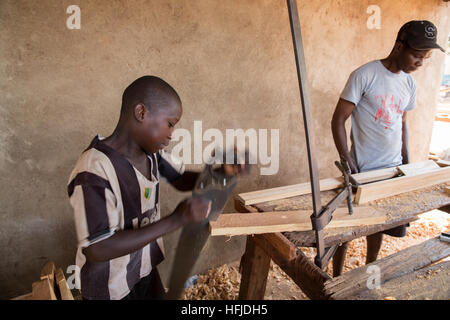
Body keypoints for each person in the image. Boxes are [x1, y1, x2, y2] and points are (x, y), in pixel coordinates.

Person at [67, 76, 245, 299]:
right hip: (110, 288)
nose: (171, 134)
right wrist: (176, 219)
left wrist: (222, 172)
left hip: (143, 270)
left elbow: (180, 179)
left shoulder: (151, 154)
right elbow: (98, 247)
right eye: (170, 123)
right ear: (141, 113)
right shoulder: (94, 170)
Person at [330, 20, 445, 276]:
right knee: (347, 229)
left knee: (379, 225)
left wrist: (406, 161)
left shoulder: (409, 84)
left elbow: (402, 124)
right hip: (363, 169)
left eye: (425, 57)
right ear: (398, 46)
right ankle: (336, 276)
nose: (420, 62)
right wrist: (346, 159)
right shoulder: (365, 75)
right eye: (416, 54)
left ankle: (369, 267)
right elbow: (338, 120)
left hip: (391, 170)